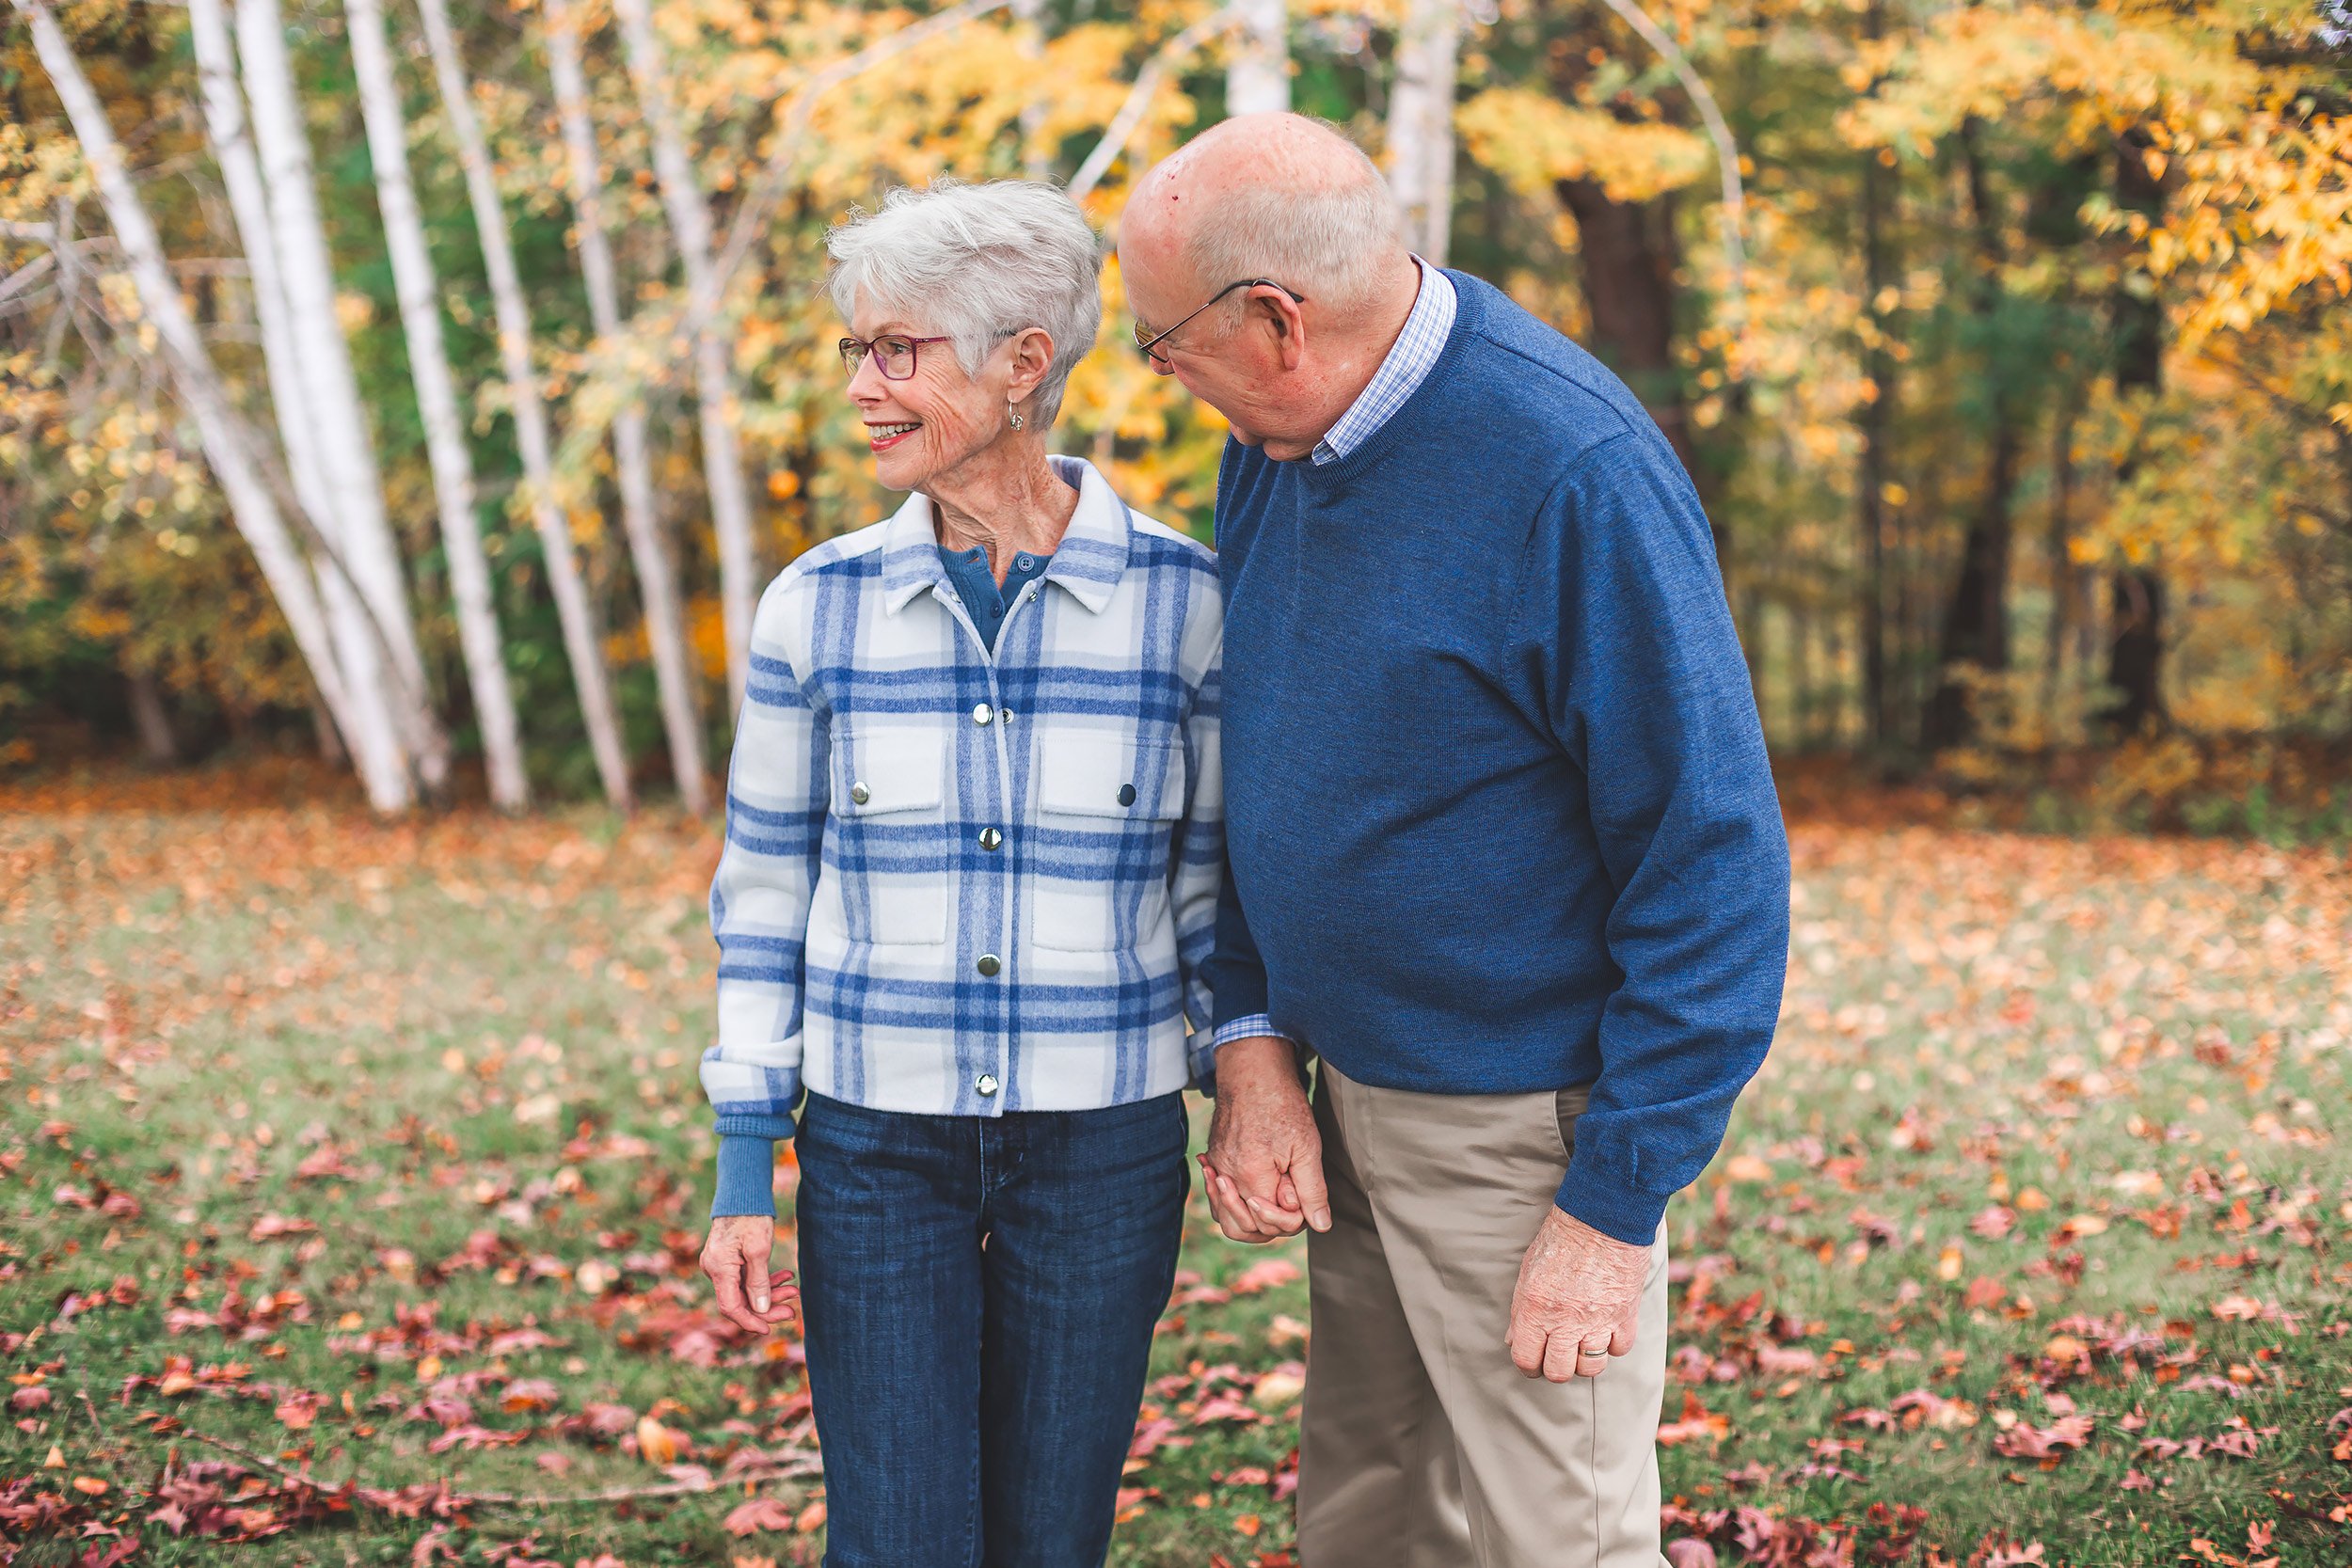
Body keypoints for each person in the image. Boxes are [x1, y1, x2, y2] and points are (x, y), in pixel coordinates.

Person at [1119, 116, 1791, 1568]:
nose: (1157, 378)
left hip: (1516, 1133)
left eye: (1159, 342)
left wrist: (1610, 1210)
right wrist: (1251, 1045)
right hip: (1349, 1095)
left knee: (1563, 1537)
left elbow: (1716, 862)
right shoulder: (1279, 445)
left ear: (1276, 321)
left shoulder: (1570, 470)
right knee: (1366, 1517)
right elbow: (1264, 761)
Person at [696, 179, 1227, 1568]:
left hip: (1102, 1151)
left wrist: (1248, 1089)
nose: (865, 386)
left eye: (900, 351)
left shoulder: (1189, 606)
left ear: (1022, 365)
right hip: (879, 1152)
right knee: (898, 1541)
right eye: (857, 352)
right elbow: (762, 899)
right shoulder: (815, 608)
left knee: (1050, 1542)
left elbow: (1218, 893)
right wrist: (746, 1159)